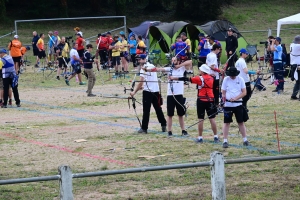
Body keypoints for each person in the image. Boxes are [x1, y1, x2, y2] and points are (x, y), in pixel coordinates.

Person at [170, 64, 219, 143]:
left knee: (200, 119)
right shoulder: (211, 77)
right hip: (210, 100)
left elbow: (186, 79)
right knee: (212, 119)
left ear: (203, 71)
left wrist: (173, 78)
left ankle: (200, 137)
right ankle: (216, 136)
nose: (199, 71)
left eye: (200, 70)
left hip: (201, 100)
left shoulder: (199, 78)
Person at [145, 57, 191, 137]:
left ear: (178, 61)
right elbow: (158, 69)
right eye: (172, 60)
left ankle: (183, 130)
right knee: (170, 114)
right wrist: (148, 70)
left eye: (175, 60)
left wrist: (179, 65)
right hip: (170, 95)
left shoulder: (182, 68)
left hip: (179, 94)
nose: (173, 62)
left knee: (180, 114)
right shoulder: (169, 69)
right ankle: (169, 131)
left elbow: (190, 62)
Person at [130, 55, 167, 133]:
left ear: (144, 59)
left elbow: (141, 82)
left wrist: (134, 92)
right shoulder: (152, 66)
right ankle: (163, 124)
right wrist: (142, 87)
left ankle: (144, 128)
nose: (138, 61)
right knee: (158, 109)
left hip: (148, 92)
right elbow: (149, 80)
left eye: (140, 59)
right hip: (155, 91)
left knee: (146, 110)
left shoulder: (144, 68)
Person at [221, 67, 249, 148]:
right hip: (228, 105)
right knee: (226, 123)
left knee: (241, 122)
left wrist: (236, 98)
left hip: (238, 105)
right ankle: (225, 141)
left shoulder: (240, 80)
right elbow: (223, 92)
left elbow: (244, 92)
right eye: (231, 75)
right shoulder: (226, 80)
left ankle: (245, 140)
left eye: (233, 75)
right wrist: (223, 101)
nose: (232, 77)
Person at [290, 35, 300, 100]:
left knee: (298, 82)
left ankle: (294, 95)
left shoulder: (292, 45)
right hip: (298, 65)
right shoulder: (297, 46)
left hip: (294, 65)